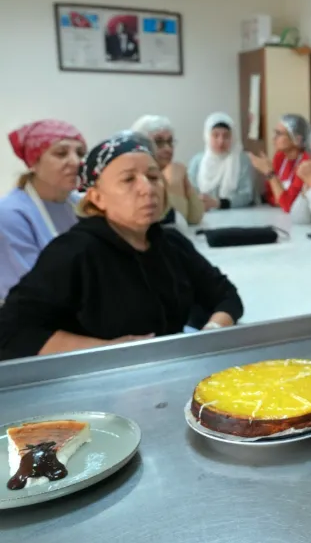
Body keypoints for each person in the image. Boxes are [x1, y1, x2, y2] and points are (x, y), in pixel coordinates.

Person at [0, 133, 243, 360]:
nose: (147, 189)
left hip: (167, 367)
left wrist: (210, 332)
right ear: (97, 198)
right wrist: (109, 351)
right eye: (128, 179)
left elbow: (226, 295)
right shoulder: (73, 253)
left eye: (153, 177)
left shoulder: (170, 243)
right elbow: (12, 331)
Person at [0, 120, 87, 300]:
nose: (76, 162)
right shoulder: (10, 213)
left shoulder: (81, 206)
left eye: (80, 153)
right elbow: (32, 288)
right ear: (34, 162)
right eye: (61, 153)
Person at [131, 115, 204, 225]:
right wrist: (175, 182)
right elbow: (175, 222)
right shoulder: (137, 178)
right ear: (141, 145)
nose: (168, 148)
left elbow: (196, 217)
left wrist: (185, 182)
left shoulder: (165, 173)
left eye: (170, 142)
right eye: (159, 142)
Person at [188, 112, 255, 210]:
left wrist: (220, 203)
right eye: (215, 135)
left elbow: (246, 195)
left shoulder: (242, 160)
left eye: (226, 136)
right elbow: (190, 191)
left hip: (238, 216)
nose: (221, 141)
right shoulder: (197, 161)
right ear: (207, 136)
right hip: (204, 216)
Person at [248, 113, 310, 213]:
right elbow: (269, 195)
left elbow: (289, 206)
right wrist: (281, 200)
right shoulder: (279, 157)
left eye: (279, 134)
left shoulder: (306, 162)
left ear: (296, 139)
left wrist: (269, 173)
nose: (274, 138)